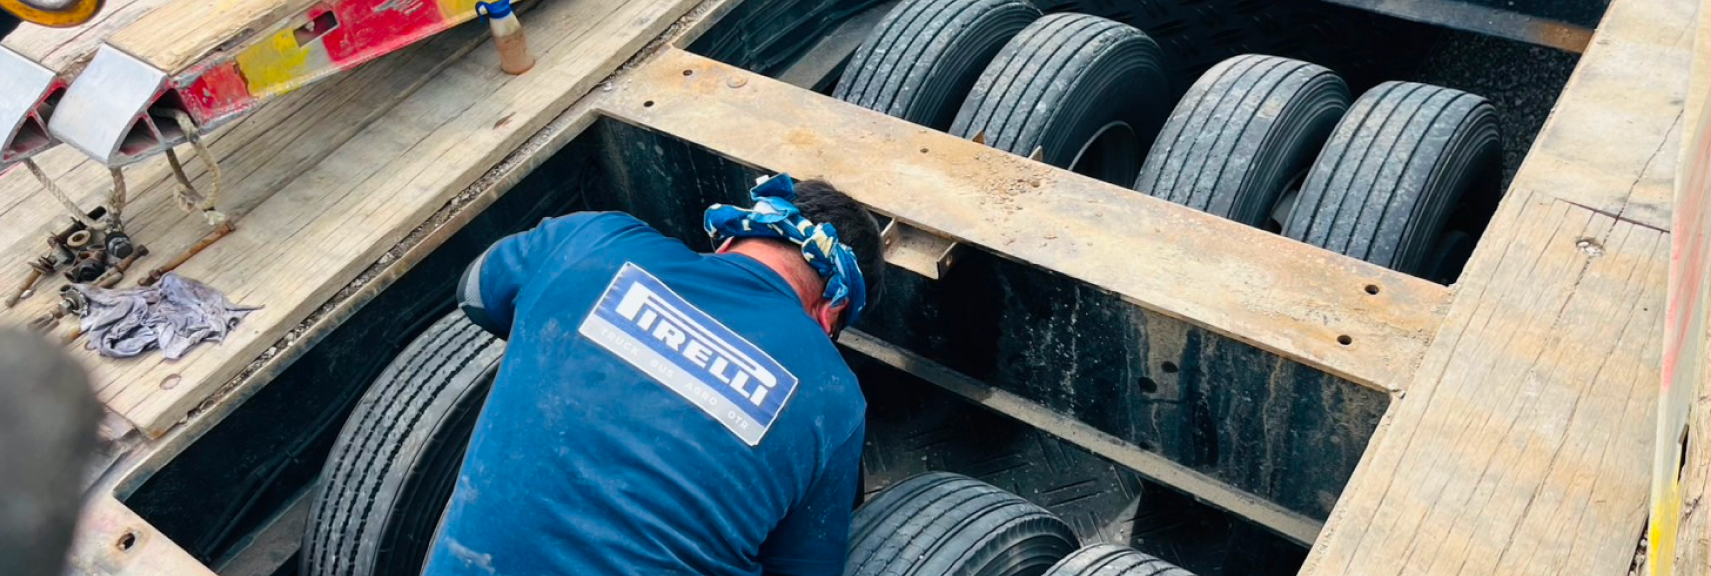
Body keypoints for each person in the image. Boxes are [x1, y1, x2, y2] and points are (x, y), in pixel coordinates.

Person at [423, 175, 885, 576]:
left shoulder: (593, 240)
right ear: (832, 310)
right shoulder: (833, 397)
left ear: (731, 241)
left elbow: (475, 293)